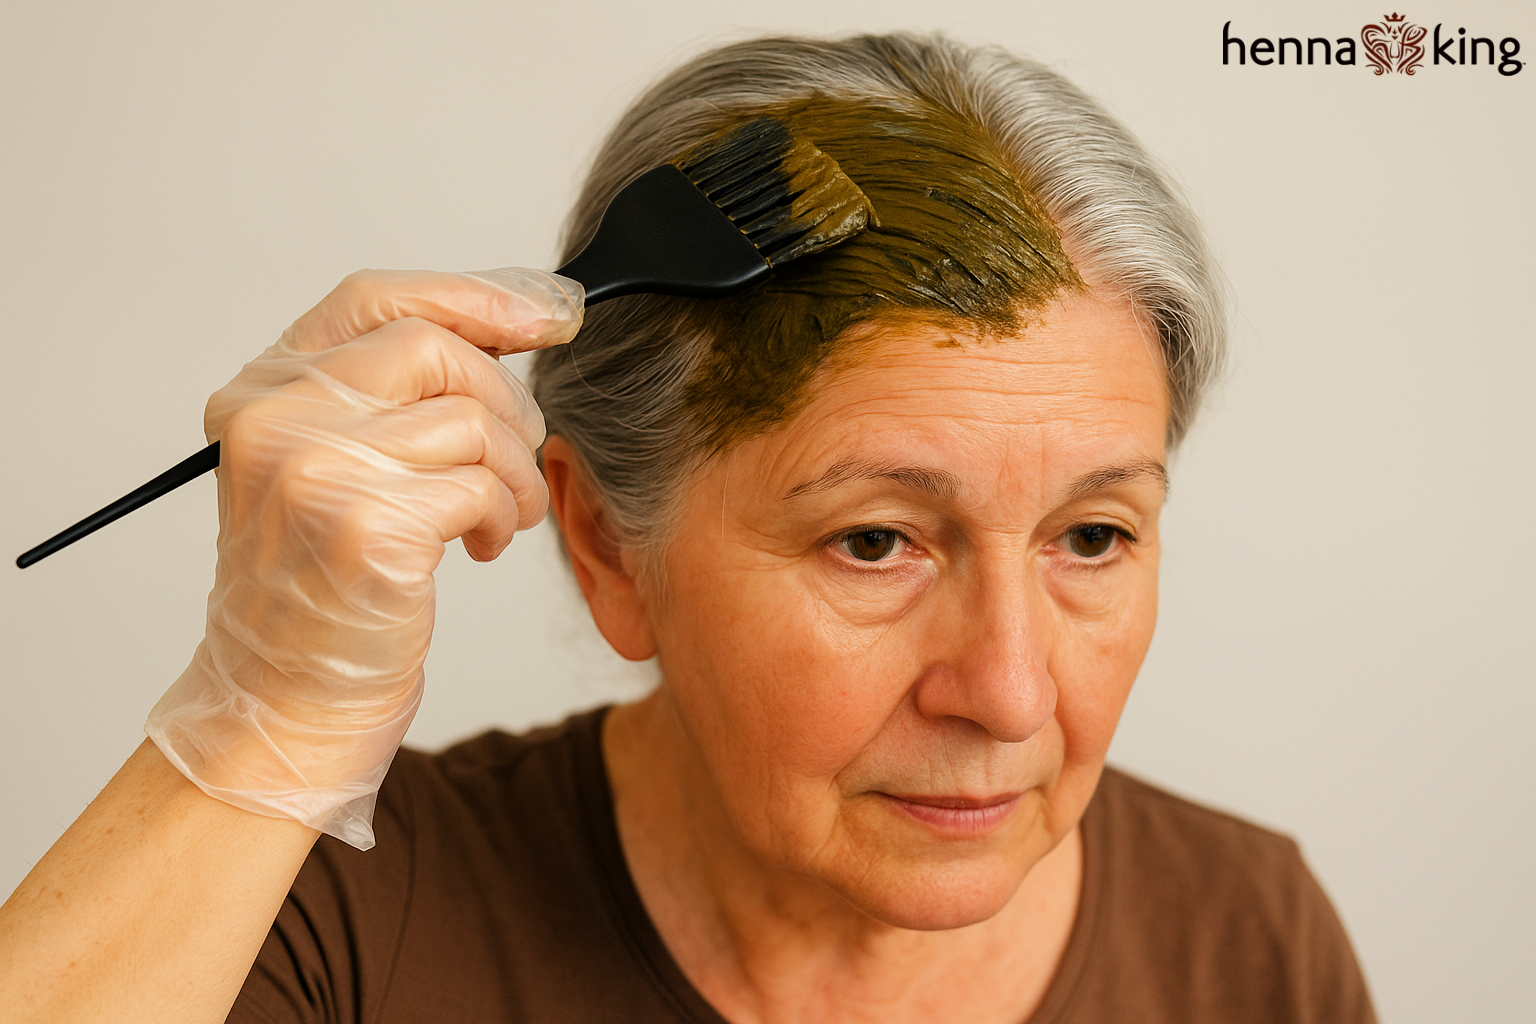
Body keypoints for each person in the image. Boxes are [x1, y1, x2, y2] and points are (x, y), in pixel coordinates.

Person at [0, 32, 1376, 1024]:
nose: (1009, 693)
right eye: (877, 541)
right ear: (605, 546)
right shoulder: (339, 924)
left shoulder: (1247, 940)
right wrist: (264, 726)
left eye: (1093, 538)